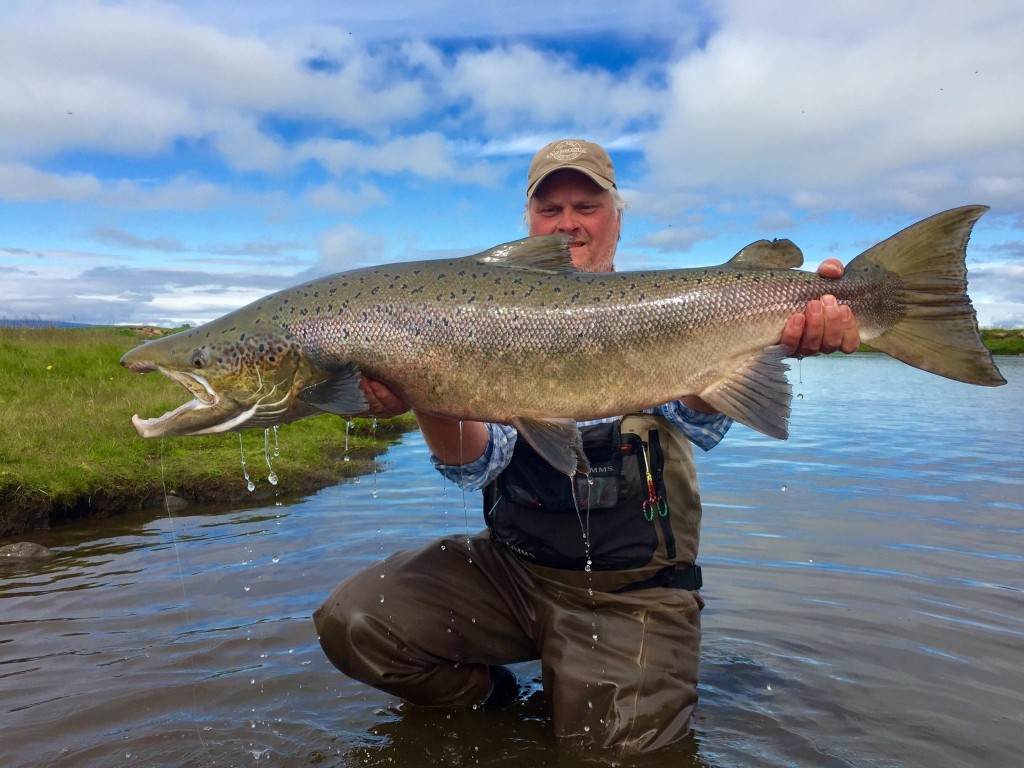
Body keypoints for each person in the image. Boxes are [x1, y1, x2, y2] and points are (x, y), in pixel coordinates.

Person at [313, 139, 860, 754]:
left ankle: (578, 691)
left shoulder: (663, 312)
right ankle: (492, 711)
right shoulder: (479, 317)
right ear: (529, 224)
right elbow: (475, 466)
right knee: (355, 621)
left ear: (617, 219)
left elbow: (697, 420)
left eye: (586, 205)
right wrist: (424, 389)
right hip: (514, 577)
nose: (568, 223)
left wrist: (782, 335)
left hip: (633, 597)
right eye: (550, 210)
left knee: (616, 756)